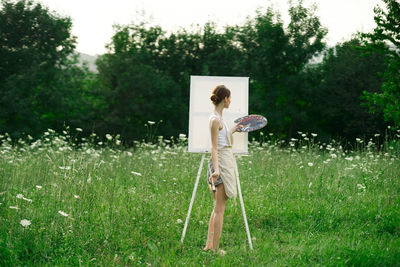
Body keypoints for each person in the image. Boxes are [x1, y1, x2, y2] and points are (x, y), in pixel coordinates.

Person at [203, 85, 241, 255]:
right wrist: (217, 170)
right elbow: (214, 148)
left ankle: (210, 246)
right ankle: (214, 249)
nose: (230, 101)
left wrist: (234, 129)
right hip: (220, 165)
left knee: (217, 208)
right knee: (219, 209)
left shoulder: (219, 119)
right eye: (230, 98)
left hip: (222, 162)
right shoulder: (215, 120)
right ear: (225, 98)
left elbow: (222, 141)